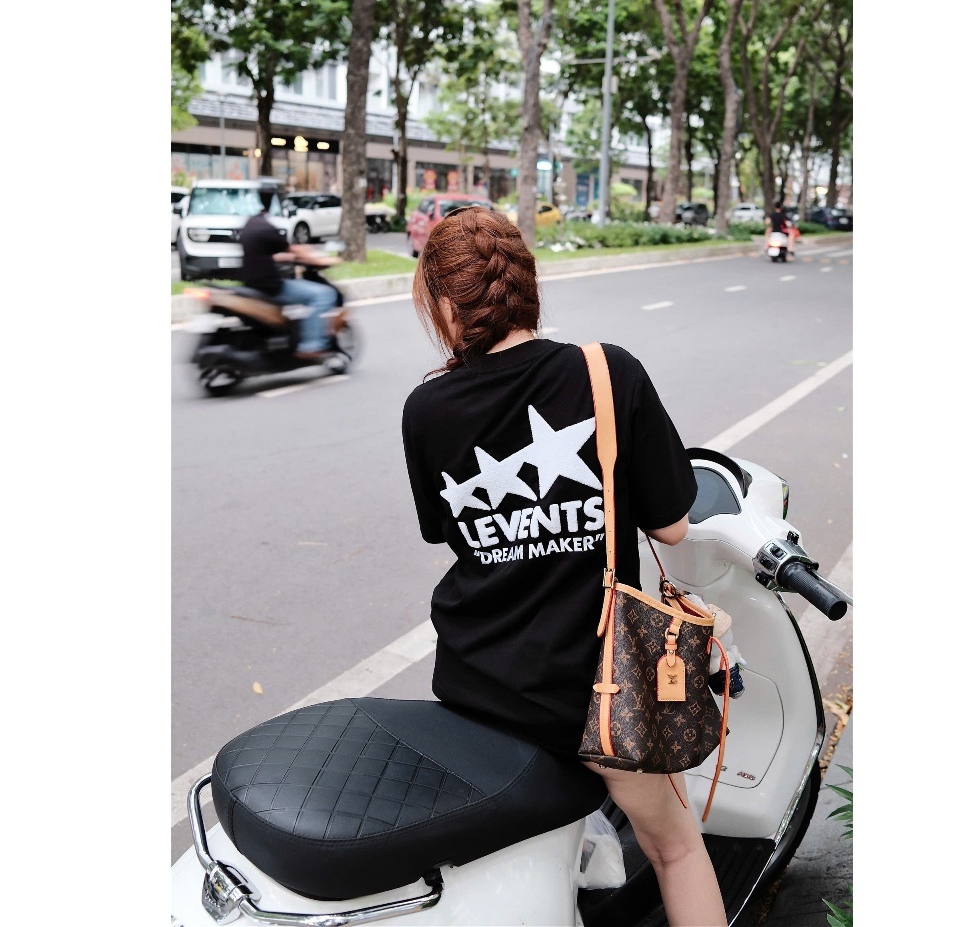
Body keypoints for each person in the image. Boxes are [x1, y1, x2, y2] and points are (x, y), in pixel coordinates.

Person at [401, 206, 728, 927]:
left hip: (475, 687)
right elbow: (672, 526)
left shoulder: (426, 408)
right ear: (525, 286)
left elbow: (445, 532)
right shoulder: (606, 372)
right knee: (676, 850)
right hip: (598, 696)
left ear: (445, 304)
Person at [239, 192, 339, 360]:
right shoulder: (266, 228)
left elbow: (268, 255)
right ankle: (312, 345)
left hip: (252, 284)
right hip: (272, 288)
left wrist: (290, 257)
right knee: (323, 294)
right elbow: (292, 249)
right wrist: (321, 260)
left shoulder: (250, 225)